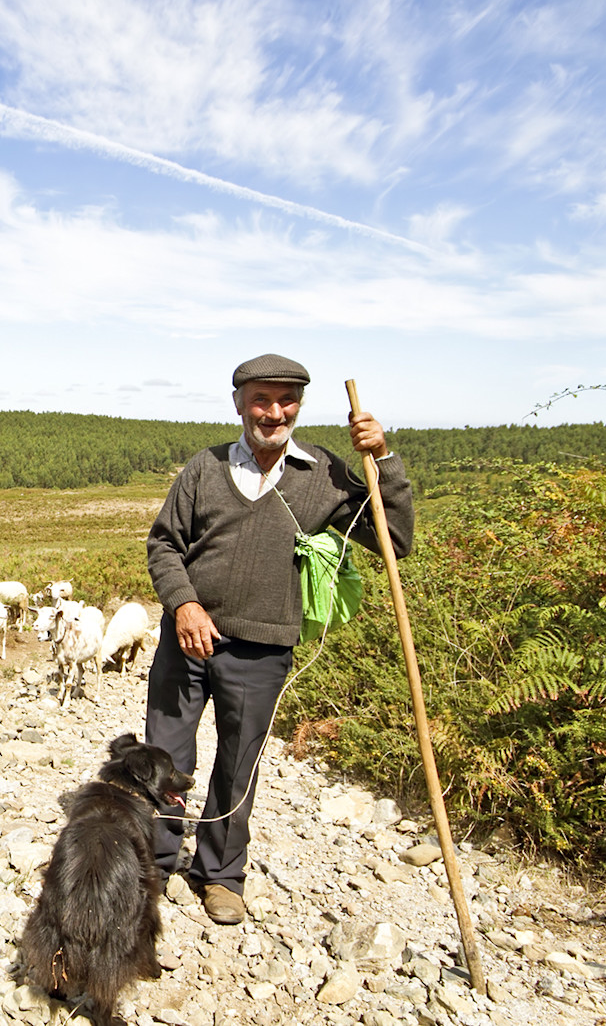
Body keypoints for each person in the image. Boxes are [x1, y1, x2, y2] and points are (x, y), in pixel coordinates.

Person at [144, 353, 414, 925]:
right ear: (239, 403)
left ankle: (219, 875)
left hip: (263, 647)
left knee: (238, 764)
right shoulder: (203, 469)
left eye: (286, 400)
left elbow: (394, 537)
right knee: (166, 756)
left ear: (299, 405)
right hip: (186, 638)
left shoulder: (323, 473)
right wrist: (185, 604)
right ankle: (153, 863)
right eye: (261, 399)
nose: (273, 412)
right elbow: (165, 544)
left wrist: (382, 460)